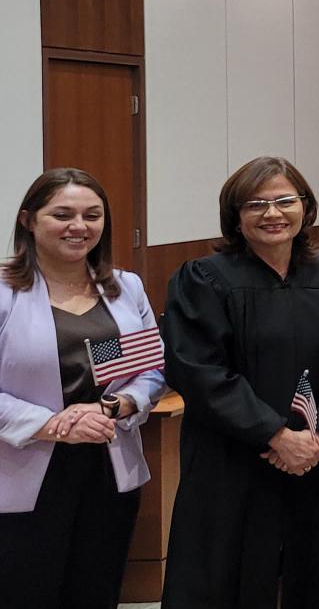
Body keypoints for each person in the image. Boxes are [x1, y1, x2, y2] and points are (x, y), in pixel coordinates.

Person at [162, 157, 319, 608]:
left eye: (284, 201)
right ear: (235, 216)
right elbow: (198, 370)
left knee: (318, 570)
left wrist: (315, 436)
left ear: (306, 208)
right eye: (255, 204)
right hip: (231, 459)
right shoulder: (203, 280)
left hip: (318, 457)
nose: (272, 214)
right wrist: (275, 434)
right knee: (227, 574)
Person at [0, 169, 168, 609]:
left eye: (92, 215)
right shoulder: (4, 292)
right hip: (23, 469)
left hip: (107, 466)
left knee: (97, 588)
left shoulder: (123, 287)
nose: (80, 226)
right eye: (63, 214)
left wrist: (116, 405)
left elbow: (150, 368)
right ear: (28, 220)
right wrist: (53, 424)